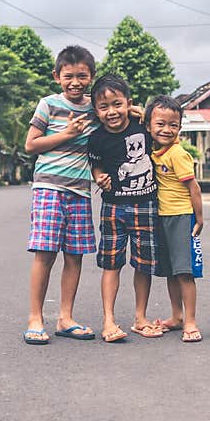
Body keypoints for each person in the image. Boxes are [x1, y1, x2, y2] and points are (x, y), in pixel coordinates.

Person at [22, 45, 99, 345]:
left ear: (91, 76)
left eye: (82, 76)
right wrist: (66, 135)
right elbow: (31, 144)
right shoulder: (48, 104)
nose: (76, 82)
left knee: (75, 255)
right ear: (57, 76)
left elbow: (119, 112)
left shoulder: (95, 107)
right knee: (45, 253)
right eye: (69, 76)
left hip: (80, 191)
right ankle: (35, 318)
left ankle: (65, 317)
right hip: (49, 188)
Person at [88, 74, 164, 343]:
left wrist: (141, 112)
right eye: (104, 106)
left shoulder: (142, 126)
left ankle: (140, 317)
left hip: (146, 205)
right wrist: (99, 177)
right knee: (111, 264)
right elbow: (96, 165)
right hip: (113, 207)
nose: (112, 112)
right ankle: (108, 320)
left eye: (117, 104)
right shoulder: (96, 139)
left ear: (128, 104)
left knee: (143, 263)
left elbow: (163, 129)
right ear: (95, 110)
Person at [146, 95, 204, 343]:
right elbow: (139, 113)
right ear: (148, 125)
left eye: (173, 125)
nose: (167, 129)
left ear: (180, 127)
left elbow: (194, 188)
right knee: (170, 271)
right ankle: (176, 316)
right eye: (160, 124)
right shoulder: (154, 150)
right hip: (162, 217)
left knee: (185, 272)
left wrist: (199, 218)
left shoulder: (178, 154)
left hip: (182, 217)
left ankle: (190, 321)